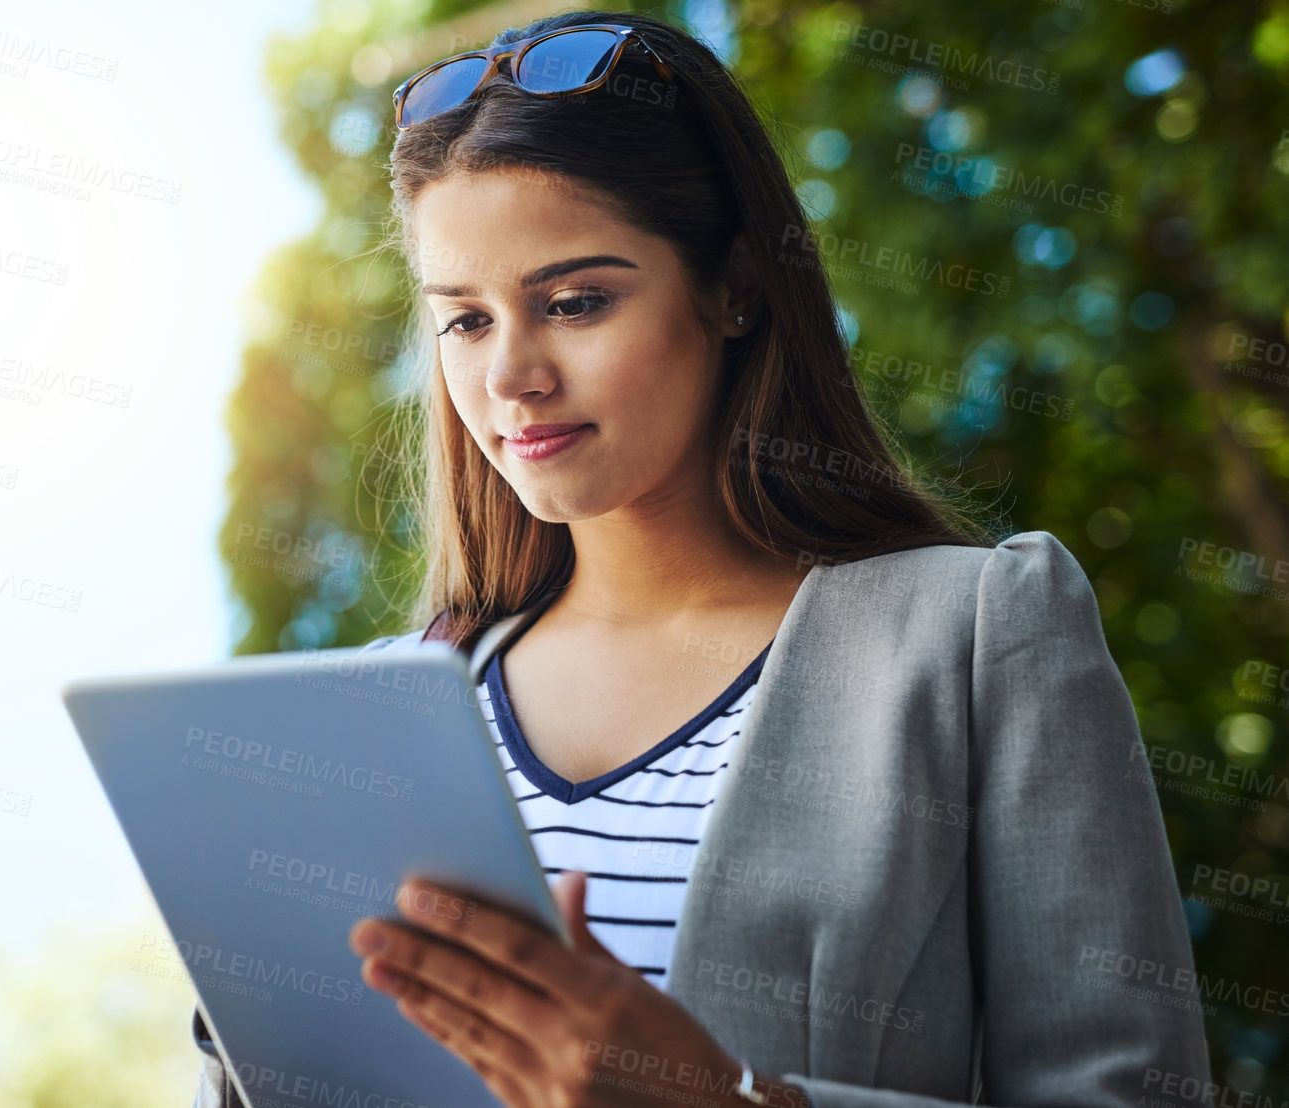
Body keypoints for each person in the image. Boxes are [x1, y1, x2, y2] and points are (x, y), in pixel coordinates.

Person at [193, 10, 1210, 1107]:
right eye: (466, 322)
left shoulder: (975, 639)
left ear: (734, 288)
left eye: (575, 302)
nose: (512, 376)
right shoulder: (363, 720)